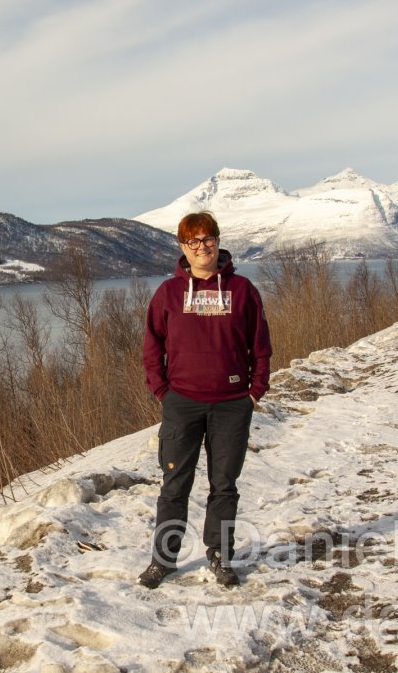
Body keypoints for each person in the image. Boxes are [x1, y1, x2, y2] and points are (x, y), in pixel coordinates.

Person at [139, 211, 272, 588]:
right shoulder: (168, 293)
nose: (202, 247)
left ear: (218, 241)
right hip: (182, 403)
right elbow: (152, 347)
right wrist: (163, 392)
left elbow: (261, 346)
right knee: (174, 487)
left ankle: (220, 556)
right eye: (193, 241)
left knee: (224, 486)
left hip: (232, 404)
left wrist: (254, 393)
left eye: (207, 238)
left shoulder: (242, 290)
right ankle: (163, 560)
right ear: (183, 247)